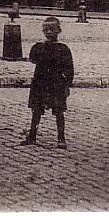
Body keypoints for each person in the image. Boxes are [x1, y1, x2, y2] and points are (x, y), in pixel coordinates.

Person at [20, 17, 75, 149]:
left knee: (59, 111)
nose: (49, 32)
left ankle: (61, 139)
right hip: (40, 82)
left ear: (59, 30)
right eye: (46, 30)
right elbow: (32, 58)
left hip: (56, 84)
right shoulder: (39, 47)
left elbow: (69, 68)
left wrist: (67, 85)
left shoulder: (63, 49)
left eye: (52, 29)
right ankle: (32, 136)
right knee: (36, 110)